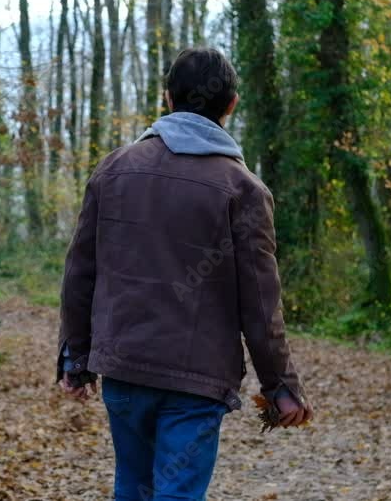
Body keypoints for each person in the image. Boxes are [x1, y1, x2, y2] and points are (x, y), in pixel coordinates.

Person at [56, 47, 313, 501]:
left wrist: (76, 358)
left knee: (132, 488)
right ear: (231, 104)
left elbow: (80, 273)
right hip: (197, 378)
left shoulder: (114, 170)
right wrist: (280, 385)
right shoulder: (244, 189)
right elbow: (260, 302)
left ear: (168, 98)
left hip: (125, 366)